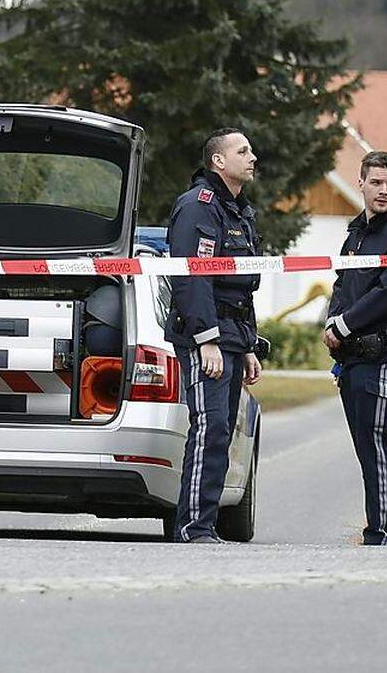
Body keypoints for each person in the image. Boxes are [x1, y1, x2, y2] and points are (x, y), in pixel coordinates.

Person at [164, 128, 264, 543]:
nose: (252, 157)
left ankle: (203, 524)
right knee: (210, 426)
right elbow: (192, 280)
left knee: (223, 430)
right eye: (243, 151)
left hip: (234, 336)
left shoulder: (240, 212)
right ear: (218, 161)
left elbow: (242, 285)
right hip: (208, 336)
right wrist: (207, 339)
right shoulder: (198, 207)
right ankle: (193, 526)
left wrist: (251, 344)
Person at [322, 150, 387, 546]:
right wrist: (332, 322)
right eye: (377, 182)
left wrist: (344, 325)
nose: (384, 190)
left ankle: (383, 535)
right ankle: (382, 531)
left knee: (377, 441)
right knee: (366, 445)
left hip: (382, 355)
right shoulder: (356, 234)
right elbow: (341, 285)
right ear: (360, 182)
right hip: (352, 357)